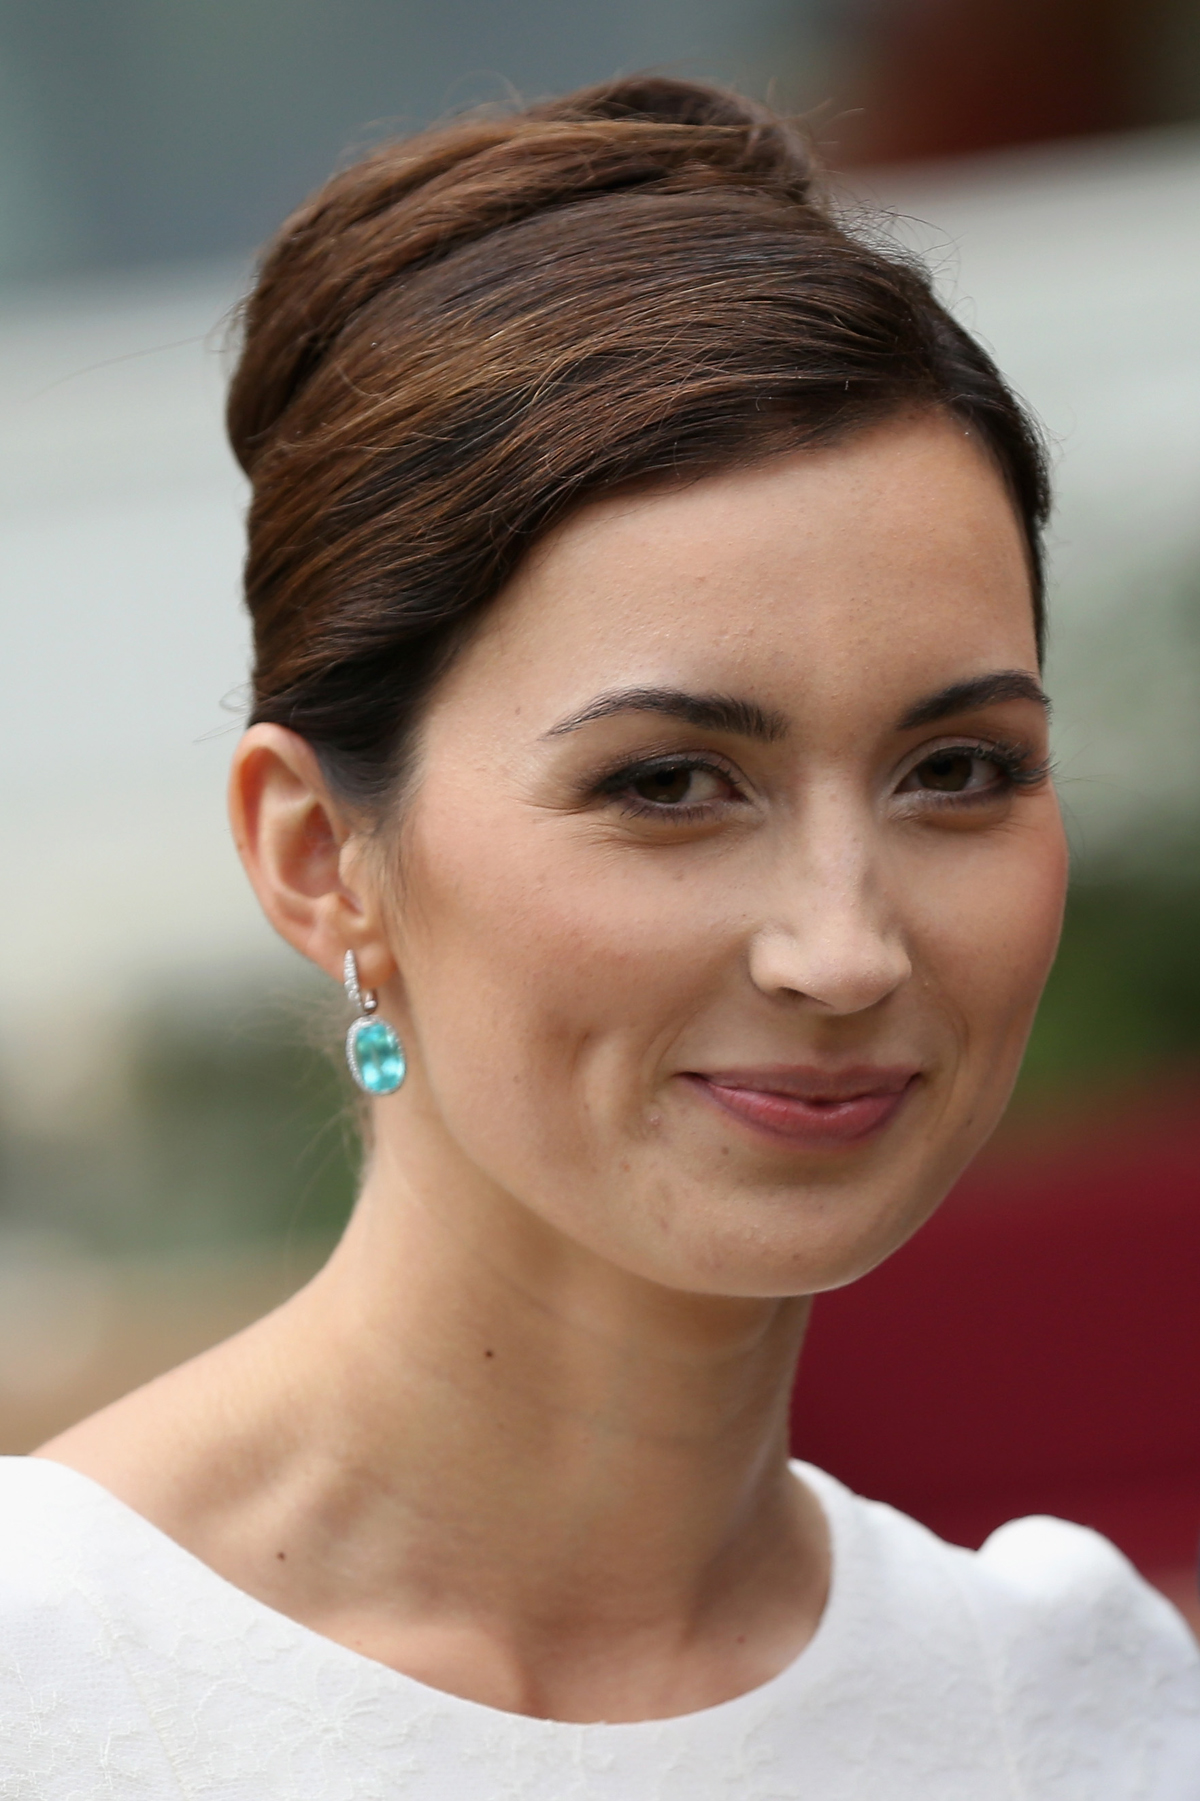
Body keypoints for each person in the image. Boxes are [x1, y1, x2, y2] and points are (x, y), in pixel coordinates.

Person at [1, 77, 1196, 1799]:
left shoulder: (1073, 1704)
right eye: (670, 784)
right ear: (320, 853)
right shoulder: (54, 1685)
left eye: (958, 770)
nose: (844, 949)